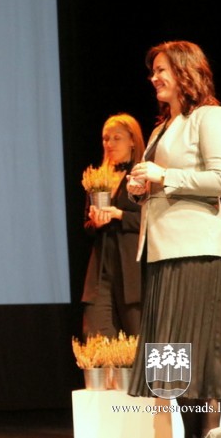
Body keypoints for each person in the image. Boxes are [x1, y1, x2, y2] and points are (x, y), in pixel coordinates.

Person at [127, 41, 221, 438]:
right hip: (161, 251)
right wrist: (140, 189)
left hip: (196, 249)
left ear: (185, 72)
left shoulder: (210, 117)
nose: (153, 77)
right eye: (153, 71)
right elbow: (159, 182)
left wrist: (165, 176)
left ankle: (205, 434)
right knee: (172, 363)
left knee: (197, 355)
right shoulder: (162, 127)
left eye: (162, 70)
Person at [81, 113, 145, 339]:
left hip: (134, 273)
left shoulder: (144, 175)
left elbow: (154, 221)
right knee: (96, 337)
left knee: (142, 340)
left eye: (117, 138)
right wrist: (96, 222)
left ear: (132, 141)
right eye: (105, 138)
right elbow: (87, 225)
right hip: (102, 271)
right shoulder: (99, 178)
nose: (109, 144)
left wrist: (120, 215)